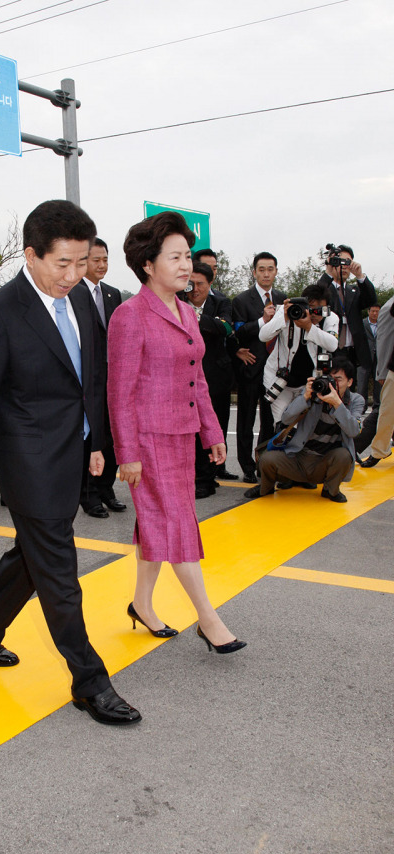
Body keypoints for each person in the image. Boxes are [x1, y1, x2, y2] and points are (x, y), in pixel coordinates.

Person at [0, 200, 141, 727]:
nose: (74, 274)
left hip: (74, 452)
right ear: (30, 255)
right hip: (28, 459)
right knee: (59, 568)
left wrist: (97, 440)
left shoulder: (79, 298)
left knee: (32, 554)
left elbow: (90, 378)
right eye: (63, 263)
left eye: (82, 262)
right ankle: (89, 681)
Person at [107, 211, 246, 654]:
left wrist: (212, 431)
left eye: (188, 256)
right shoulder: (130, 316)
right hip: (147, 440)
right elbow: (119, 392)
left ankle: (141, 604)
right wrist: (126, 453)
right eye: (175, 257)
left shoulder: (187, 311)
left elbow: (197, 378)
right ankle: (209, 619)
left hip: (181, 435)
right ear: (148, 264)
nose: (187, 265)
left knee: (160, 522)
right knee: (179, 523)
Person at [244, 357, 363, 503]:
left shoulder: (356, 400)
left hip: (325, 461)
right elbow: (286, 419)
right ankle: (266, 488)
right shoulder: (313, 394)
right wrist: (305, 397)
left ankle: (330, 490)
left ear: (350, 382)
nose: (332, 385)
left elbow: (354, 431)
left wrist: (337, 404)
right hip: (300, 458)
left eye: (338, 380)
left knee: (344, 456)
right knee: (267, 459)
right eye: (329, 379)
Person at [76, 238, 126, 518]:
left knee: (113, 436)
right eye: (96, 260)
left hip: (112, 377)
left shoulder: (112, 293)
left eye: (105, 259)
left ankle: (106, 488)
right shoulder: (72, 293)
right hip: (86, 379)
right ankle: (89, 494)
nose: (102, 265)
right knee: (90, 437)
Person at [181, 261, 237, 497]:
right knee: (192, 428)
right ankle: (200, 477)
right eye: (190, 283)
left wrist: (192, 317)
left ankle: (212, 472)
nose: (194, 289)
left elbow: (225, 328)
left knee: (216, 425)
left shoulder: (221, 302)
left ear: (210, 283)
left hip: (216, 374)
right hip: (186, 375)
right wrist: (208, 322)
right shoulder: (177, 300)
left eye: (200, 284)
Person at [232, 252, 287, 483]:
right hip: (251, 367)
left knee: (269, 421)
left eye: (270, 269)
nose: (266, 273)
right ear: (254, 272)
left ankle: (263, 462)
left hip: (275, 371)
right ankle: (246, 465)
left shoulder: (283, 299)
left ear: (276, 271)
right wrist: (262, 321)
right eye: (261, 269)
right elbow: (239, 332)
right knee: (245, 420)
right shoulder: (242, 300)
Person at [259, 285, 339, 426]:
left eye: (319, 310)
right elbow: (263, 336)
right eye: (312, 308)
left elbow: (332, 345)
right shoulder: (289, 312)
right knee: (282, 425)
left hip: (307, 385)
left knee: (303, 428)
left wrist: (309, 327)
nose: (314, 314)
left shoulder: (331, 318)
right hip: (279, 381)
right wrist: (283, 316)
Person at [317, 244, 377, 371]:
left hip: (352, 352)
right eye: (339, 261)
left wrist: (360, 276)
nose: (343, 266)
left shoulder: (353, 291)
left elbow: (371, 300)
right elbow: (316, 296)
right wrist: (328, 272)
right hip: (330, 350)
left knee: (350, 387)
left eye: (347, 262)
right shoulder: (325, 289)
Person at [360, 299, 394, 467]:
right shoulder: (390, 307)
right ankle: (379, 451)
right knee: (387, 412)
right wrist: (381, 370)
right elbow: (384, 340)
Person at [356, 303, 382, 410]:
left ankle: (377, 407)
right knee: (362, 384)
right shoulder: (362, 324)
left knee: (379, 384)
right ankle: (361, 407)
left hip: (379, 358)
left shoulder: (384, 323)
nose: (375, 313)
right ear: (368, 312)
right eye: (373, 311)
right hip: (364, 358)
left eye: (377, 311)